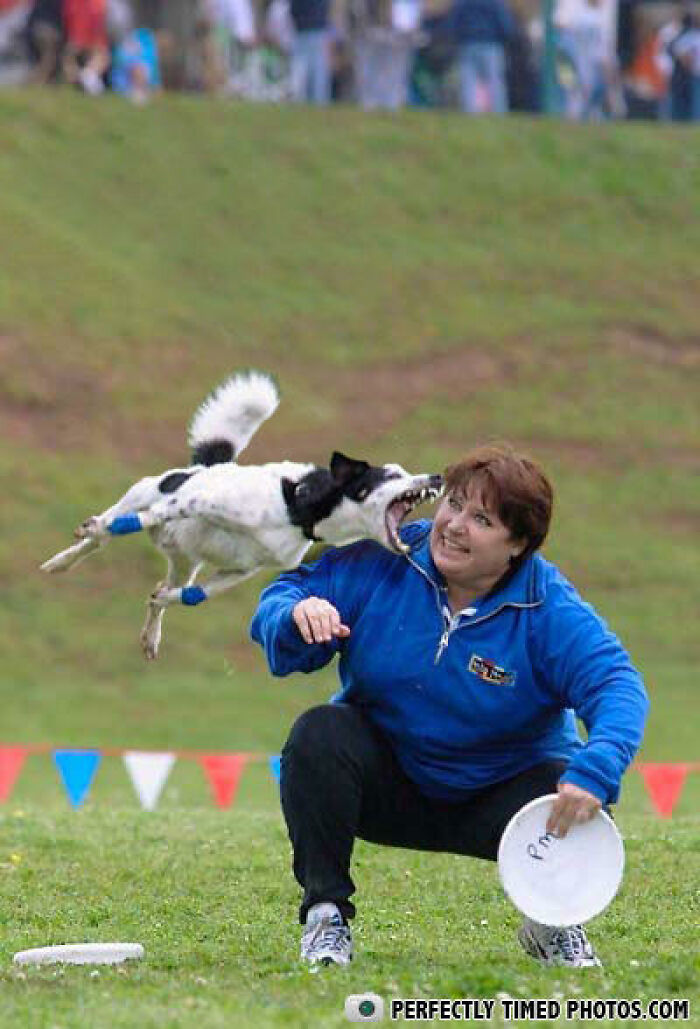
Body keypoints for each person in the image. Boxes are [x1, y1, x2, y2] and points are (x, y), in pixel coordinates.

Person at [251, 444, 649, 970]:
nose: (454, 525)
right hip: (388, 787)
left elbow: (619, 685)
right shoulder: (390, 556)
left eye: (480, 518)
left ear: (518, 545)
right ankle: (326, 918)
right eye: (454, 504)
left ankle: (552, 920)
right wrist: (298, 612)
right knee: (319, 734)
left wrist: (596, 770)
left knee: (570, 784)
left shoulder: (548, 606)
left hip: (504, 804)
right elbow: (285, 592)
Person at [441, 0, 516, 113]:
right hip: (491, 44)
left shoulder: (463, 2)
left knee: (468, 80)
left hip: (468, 44)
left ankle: (470, 111)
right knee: (495, 80)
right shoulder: (495, 2)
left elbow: (452, 22)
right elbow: (506, 25)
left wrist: (457, 37)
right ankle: (499, 111)